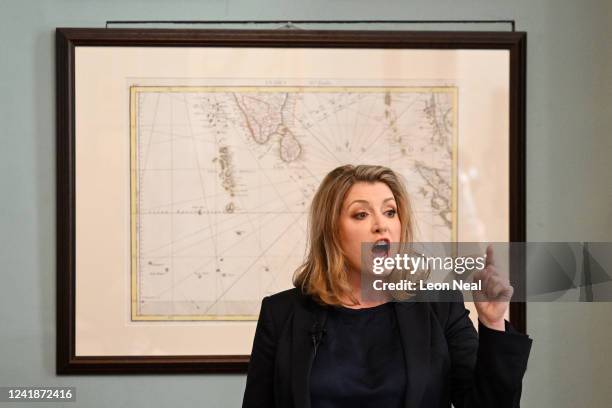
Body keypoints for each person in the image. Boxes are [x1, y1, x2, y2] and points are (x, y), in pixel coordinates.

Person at [242, 164, 532, 408]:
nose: (382, 225)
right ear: (331, 230)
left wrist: (493, 321)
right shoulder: (281, 313)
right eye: (361, 214)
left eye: (390, 212)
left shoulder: (440, 305)